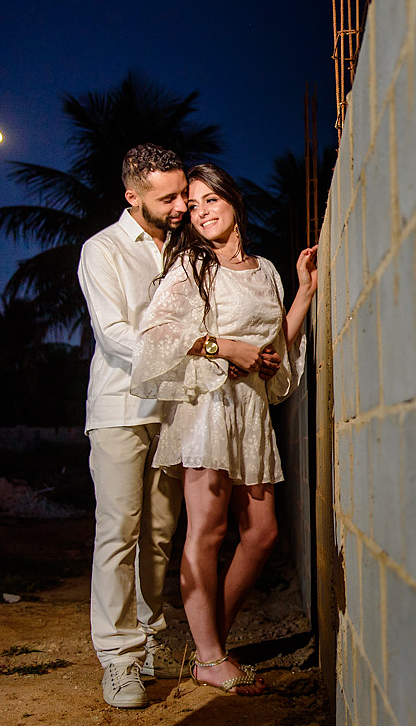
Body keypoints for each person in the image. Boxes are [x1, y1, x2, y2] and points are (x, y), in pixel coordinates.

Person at [130, 163, 317, 694]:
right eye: (192, 205)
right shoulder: (191, 267)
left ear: (234, 203)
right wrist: (224, 347)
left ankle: (210, 644)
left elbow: (276, 348)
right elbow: (157, 334)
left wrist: (303, 293)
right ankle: (211, 656)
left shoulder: (265, 271)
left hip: (251, 410)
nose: (202, 212)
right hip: (207, 406)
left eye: (211, 200)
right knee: (207, 531)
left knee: (261, 533)